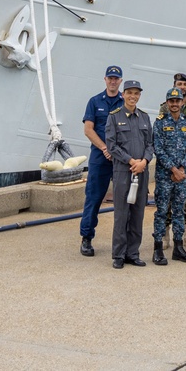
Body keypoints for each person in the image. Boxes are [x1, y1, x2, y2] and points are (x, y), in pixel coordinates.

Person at [105, 80, 153, 269]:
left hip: (141, 172)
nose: (133, 96)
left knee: (138, 214)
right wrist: (131, 161)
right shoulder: (114, 117)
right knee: (121, 214)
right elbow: (111, 145)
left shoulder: (144, 117)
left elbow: (150, 144)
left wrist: (144, 162)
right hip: (123, 171)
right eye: (130, 93)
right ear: (123, 94)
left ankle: (133, 253)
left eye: (136, 93)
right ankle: (118, 255)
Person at [79, 65, 124, 257]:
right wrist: (105, 148)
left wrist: (117, 152)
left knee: (124, 200)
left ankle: (124, 240)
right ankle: (86, 238)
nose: (113, 81)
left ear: (120, 81)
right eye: (110, 78)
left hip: (121, 158)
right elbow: (88, 129)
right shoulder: (94, 101)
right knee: (94, 198)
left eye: (116, 78)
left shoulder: (126, 102)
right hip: (100, 157)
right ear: (105, 79)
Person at [151, 87, 186, 265]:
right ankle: (157, 249)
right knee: (162, 212)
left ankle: (178, 248)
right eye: (171, 101)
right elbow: (158, 149)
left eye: (178, 101)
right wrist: (173, 169)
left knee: (179, 211)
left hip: (182, 175)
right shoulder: (160, 122)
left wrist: (183, 168)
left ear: (182, 102)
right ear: (167, 102)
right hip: (165, 176)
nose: (175, 104)